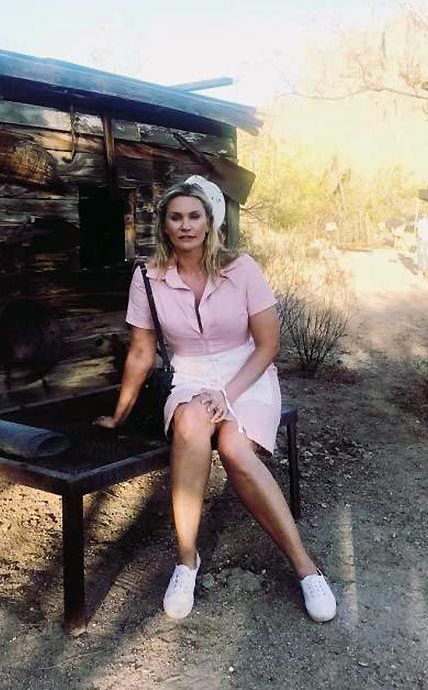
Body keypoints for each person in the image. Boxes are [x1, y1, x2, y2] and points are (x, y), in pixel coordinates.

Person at [94, 176, 337, 623]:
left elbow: (268, 344)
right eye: (175, 217)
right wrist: (119, 414)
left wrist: (227, 394)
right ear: (164, 225)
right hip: (189, 375)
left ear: (210, 223)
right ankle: (187, 561)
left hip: (245, 374)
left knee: (234, 447)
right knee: (189, 424)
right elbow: (142, 351)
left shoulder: (241, 268)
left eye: (194, 216)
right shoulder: (148, 277)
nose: (185, 225)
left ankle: (306, 568)